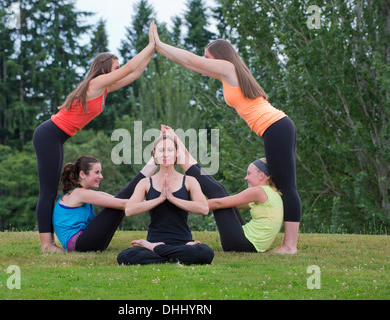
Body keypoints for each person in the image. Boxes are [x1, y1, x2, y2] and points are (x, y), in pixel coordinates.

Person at [152, 23, 300, 254]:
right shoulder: (226, 73)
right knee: (283, 185)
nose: (206, 60)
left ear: (219, 56)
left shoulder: (228, 67)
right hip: (276, 127)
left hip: (275, 126)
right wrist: (160, 50)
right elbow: (189, 64)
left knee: (287, 187)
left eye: (208, 56)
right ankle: (284, 242)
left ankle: (290, 246)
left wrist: (160, 44)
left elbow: (192, 60)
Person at [33, 22, 156, 252]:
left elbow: (135, 72)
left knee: (50, 190)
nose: (118, 69)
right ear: (104, 69)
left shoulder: (104, 88)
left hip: (57, 137)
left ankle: (52, 241)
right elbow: (129, 68)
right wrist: (149, 45)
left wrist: (153, 49)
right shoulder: (96, 83)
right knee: (48, 191)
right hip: (48, 134)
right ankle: (46, 245)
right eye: (115, 67)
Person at [163, 126, 283, 253]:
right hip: (245, 242)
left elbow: (218, 203)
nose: (245, 178)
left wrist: (182, 206)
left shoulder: (259, 191)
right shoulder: (270, 193)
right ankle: (176, 141)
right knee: (221, 191)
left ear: (261, 175)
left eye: (248, 173)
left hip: (242, 245)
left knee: (218, 193)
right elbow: (229, 204)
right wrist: (175, 138)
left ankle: (175, 146)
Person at [117, 133, 214, 265]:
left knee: (206, 253)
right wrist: (159, 199)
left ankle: (159, 251)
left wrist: (172, 199)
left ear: (176, 154)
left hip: (182, 242)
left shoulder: (189, 181)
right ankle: (172, 255)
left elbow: (204, 208)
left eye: (169, 150)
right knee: (125, 256)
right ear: (154, 153)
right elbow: (129, 210)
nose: (165, 154)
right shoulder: (145, 183)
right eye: (161, 150)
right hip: (156, 240)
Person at [53, 155, 158, 252]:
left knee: (122, 196)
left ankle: (156, 160)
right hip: (80, 244)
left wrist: (150, 201)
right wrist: (158, 202)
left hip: (87, 243)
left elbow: (119, 199)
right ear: (82, 174)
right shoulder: (79, 193)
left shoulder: (84, 193)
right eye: (97, 172)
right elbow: (123, 204)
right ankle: (156, 159)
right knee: (121, 199)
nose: (101, 176)